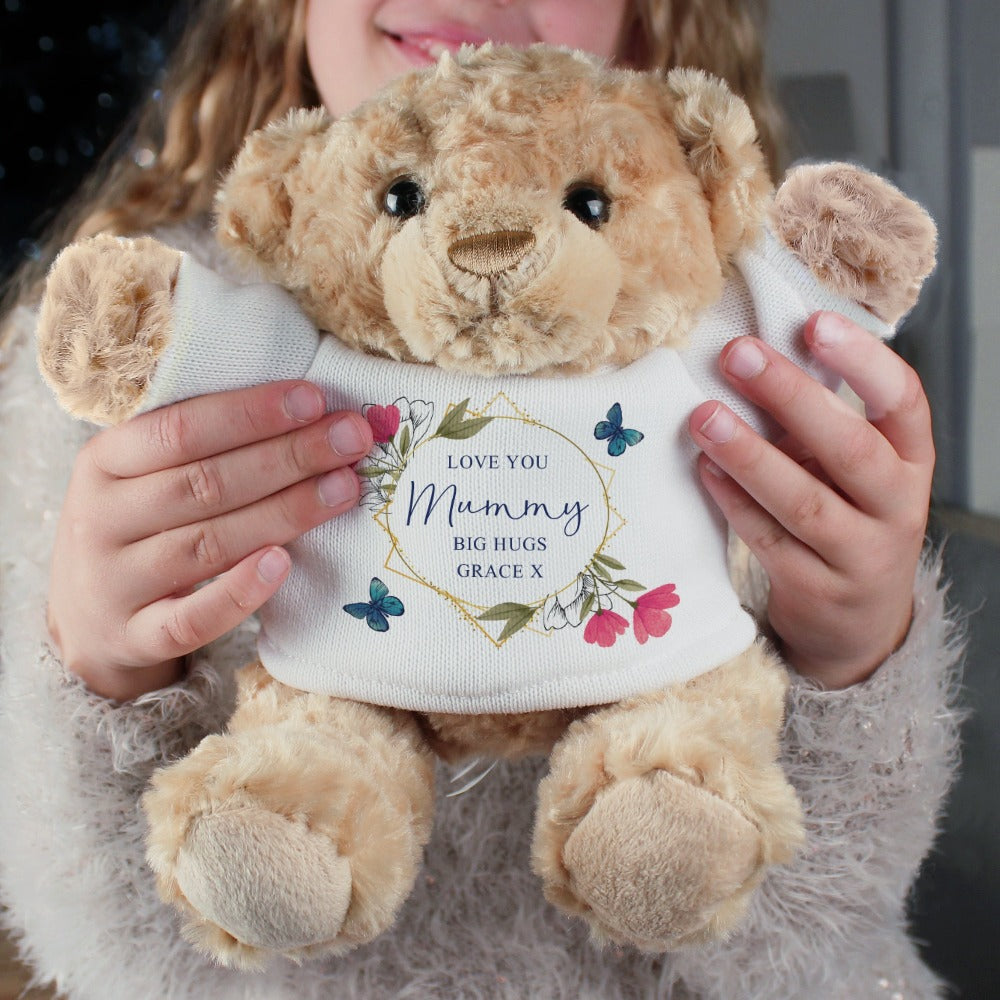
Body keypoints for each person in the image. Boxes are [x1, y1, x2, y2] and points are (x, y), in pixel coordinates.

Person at [0, 1, 962, 997]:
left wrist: (850, 666)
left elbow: (818, 964)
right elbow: (112, 964)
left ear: (655, 22)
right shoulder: (134, 405)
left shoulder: (758, 375)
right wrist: (106, 684)